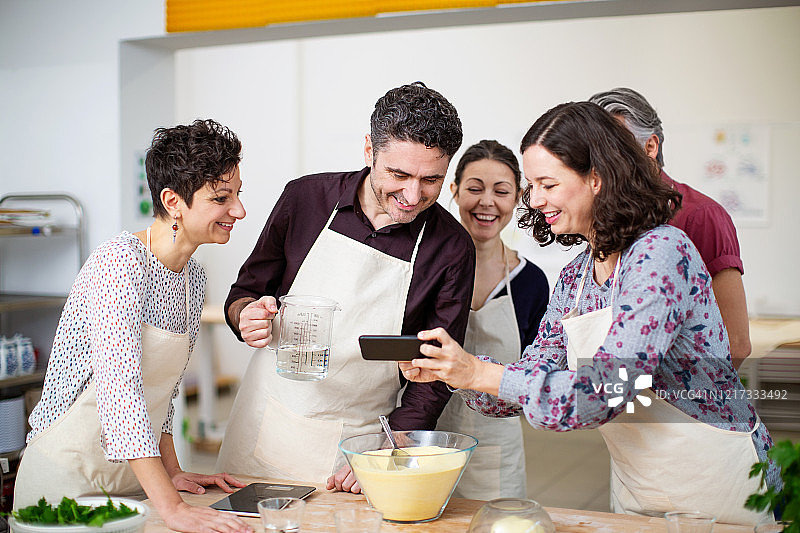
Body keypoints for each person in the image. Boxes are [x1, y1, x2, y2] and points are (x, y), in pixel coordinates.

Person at [400, 102, 778, 526]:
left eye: (547, 183)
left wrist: (478, 373)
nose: (535, 199)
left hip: (720, 481)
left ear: (596, 178)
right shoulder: (575, 276)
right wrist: (451, 372)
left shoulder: (660, 254)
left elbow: (607, 392)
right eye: (531, 185)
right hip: (639, 483)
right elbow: (532, 375)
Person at [216, 82, 475, 494]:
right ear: (370, 150)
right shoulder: (306, 199)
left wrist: (394, 447)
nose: (412, 195)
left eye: (431, 180)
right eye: (399, 174)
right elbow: (245, 292)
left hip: (360, 447)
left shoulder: (451, 247)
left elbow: (437, 369)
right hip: (269, 426)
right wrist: (244, 315)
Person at [14, 120, 252, 533]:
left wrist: (174, 473)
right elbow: (120, 393)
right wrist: (174, 508)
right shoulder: (121, 263)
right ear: (172, 200)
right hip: (67, 484)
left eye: (237, 195)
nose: (239, 210)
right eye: (221, 198)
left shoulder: (192, 277)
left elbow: (162, 391)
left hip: (136, 484)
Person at [589, 88, 751, 369]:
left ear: (650, 146)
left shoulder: (701, 215)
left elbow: (735, 344)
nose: (603, 161)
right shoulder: (602, 215)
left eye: (615, 147)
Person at [434, 140, 548, 500]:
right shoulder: (429, 269)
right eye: (474, 188)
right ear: (453, 191)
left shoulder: (531, 282)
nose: (487, 202)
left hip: (498, 449)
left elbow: (537, 372)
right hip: (429, 438)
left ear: (518, 199)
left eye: (501, 191)